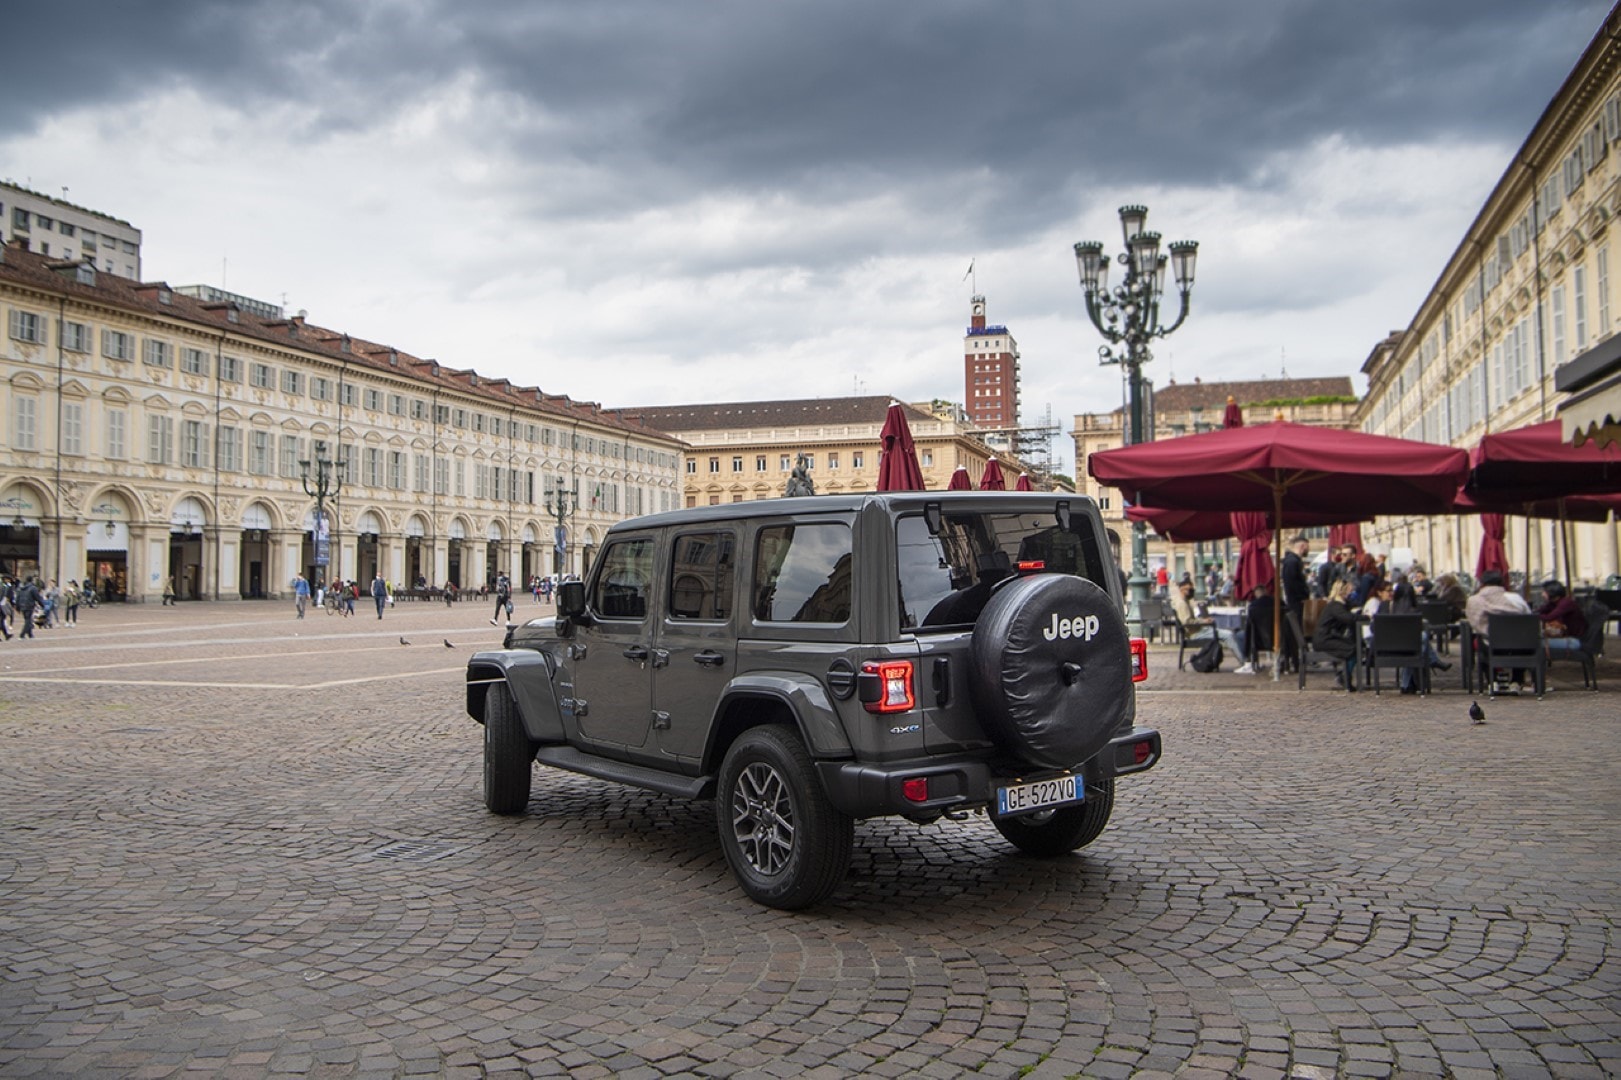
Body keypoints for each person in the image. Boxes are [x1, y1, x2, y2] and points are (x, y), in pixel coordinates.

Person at [1466, 570, 1533, 693]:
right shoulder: (1515, 598)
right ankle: (1516, 681)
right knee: (1524, 643)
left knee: (1479, 642)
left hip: (1491, 644)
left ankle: (1493, 680)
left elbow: (1474, 623)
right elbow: (1528, 617)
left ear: (1482, 583)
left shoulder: (1474, 600)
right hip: (1521, 644)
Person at [1169, 581, 1243, 665]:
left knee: (1229, 633)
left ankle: (1243, 659)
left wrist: (1202, 620)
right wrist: (1203, 621)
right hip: (1195, 633)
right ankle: (1243, 661)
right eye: (1189, 589)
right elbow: (1187, 621)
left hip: (1199, 630)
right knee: (1228, 635)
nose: (1191, 591)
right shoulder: (1182, 603)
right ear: (1182, 590)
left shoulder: (1185, 602)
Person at [1312, 579, 1359, 690]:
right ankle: (1345, 677)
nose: (1351, 593)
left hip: (1328, 637)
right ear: (1342, 592)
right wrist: (1365, 617)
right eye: (1349, 591)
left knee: (1355, 646)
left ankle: (1344, 675)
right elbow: (1348, 618)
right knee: (1353, 649)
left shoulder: (1338, 604)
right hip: (1324, 639)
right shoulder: (1335, 606)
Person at [1535, 580, 1587, 659]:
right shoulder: (1554, 603)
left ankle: (1535, 669)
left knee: (1534, 643)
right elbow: (1540, 611)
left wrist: (1531, 616)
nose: (1542, 595)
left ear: (1552, 592)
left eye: (1544, 592)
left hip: (1575, 641)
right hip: (1569, 638)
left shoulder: (1566, 603)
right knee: (1533, 641)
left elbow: (1549, 617)